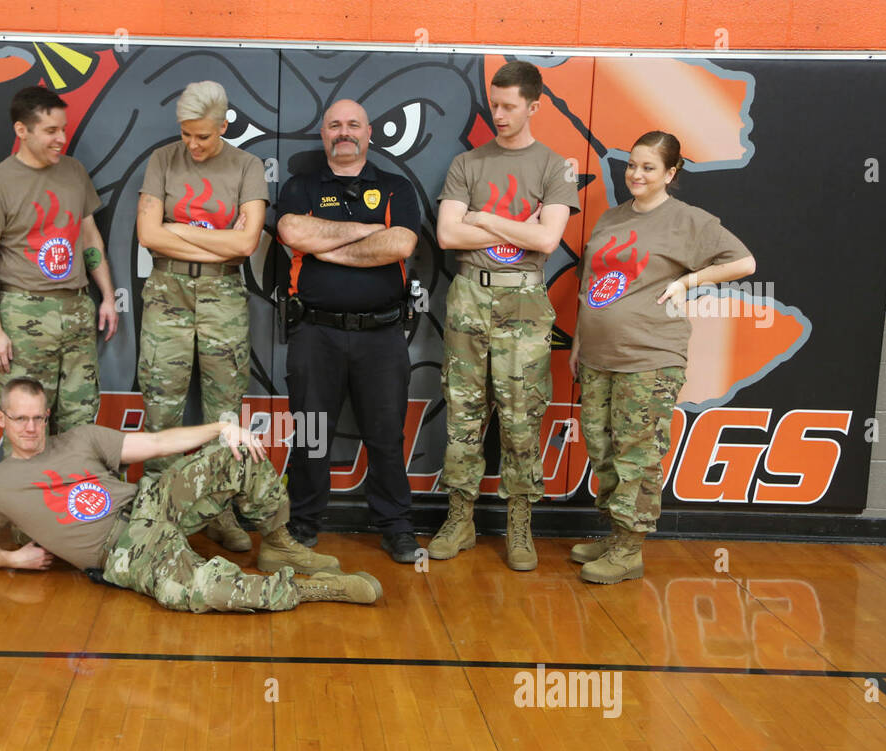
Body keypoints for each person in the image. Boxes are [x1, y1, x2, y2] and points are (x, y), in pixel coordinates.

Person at [0, 378, 382, 612]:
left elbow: (161, 443)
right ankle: (314, 589)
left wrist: (222, 429)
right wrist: (11, 558)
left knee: (236, 453)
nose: (31, 427)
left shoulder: (81, 438)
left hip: (149, 501)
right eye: (20, 418)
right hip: (125, 552)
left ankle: (278, 543)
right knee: (206, 593)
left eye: (39, 417)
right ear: (1, 418)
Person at [569, 130, 755, 583]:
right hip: (597, 354)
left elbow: (744, 262)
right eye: (632, 164)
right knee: (604, 449)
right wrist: (578, 343)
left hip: (650, 356)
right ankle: (617, 533)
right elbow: (590, 288)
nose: (636, 173)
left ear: (671, 174)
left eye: (649, 167)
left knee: (639, 454)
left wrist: (688, 282)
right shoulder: (610, 218)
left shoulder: (688, 221)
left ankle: (631, 549)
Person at [429, 61, 580, 571]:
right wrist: (519, 226)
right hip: (470, 294)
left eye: (510, 106)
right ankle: (460, 517)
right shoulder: (466, 163)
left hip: (525, 301)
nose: (499, 114)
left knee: (521, 418)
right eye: (494, 104)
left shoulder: (554, 166)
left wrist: (485, 218)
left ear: (534, 106)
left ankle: (519, 523)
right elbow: (449, 236)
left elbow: (546, 240)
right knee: (465, 414)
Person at [276, 99, 421, 564]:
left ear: (368, 133)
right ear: (323, 134)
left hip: (382, 335)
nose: (344, 132)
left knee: (385, 434)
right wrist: (367, 233)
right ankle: (303, 523)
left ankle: (396, 527)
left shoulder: (396, 187)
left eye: (353, 125)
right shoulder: (300, 186)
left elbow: (400, 242)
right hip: (315, 333)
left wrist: (329, 244)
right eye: (335, 125)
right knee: (311, 434)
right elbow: (294, 232)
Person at [135, 80, 269, 556]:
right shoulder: (162, 161)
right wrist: (209, 238)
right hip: (167, 292)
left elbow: (245, 244)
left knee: (225, 412)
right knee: (161, 406)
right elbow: (148, 235)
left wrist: (178, 228)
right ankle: (157, 511)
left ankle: (218, 510)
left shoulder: (247, 166)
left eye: (203, 136)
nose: (192, 145)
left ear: (224, 126)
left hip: (224, 296)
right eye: (186, 134)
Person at [0, 86, 117, 454]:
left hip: (77, 314)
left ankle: (69, 510)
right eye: (51, 131)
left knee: (81, 424)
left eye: (63, 129)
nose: (61, 139)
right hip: (23, 318)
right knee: (26, 431)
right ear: (22, 130)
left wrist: (108, 297)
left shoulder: (73, 172)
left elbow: (89, 238)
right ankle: (24, 511)